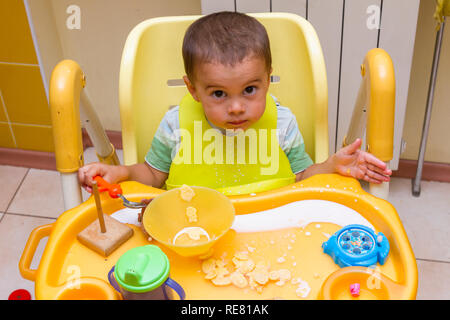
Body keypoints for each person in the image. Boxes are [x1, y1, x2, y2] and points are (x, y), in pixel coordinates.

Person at [78, 11, 391, 195]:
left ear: (268, 80)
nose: (237, 107)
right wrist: (123, 173)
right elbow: (154, 174)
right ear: (193, 89)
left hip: (269, 228)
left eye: (250, 89)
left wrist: (331, 167)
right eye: (218, 94)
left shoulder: (283, 124)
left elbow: (300, 177)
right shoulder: (175, 125)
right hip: (193, 232)